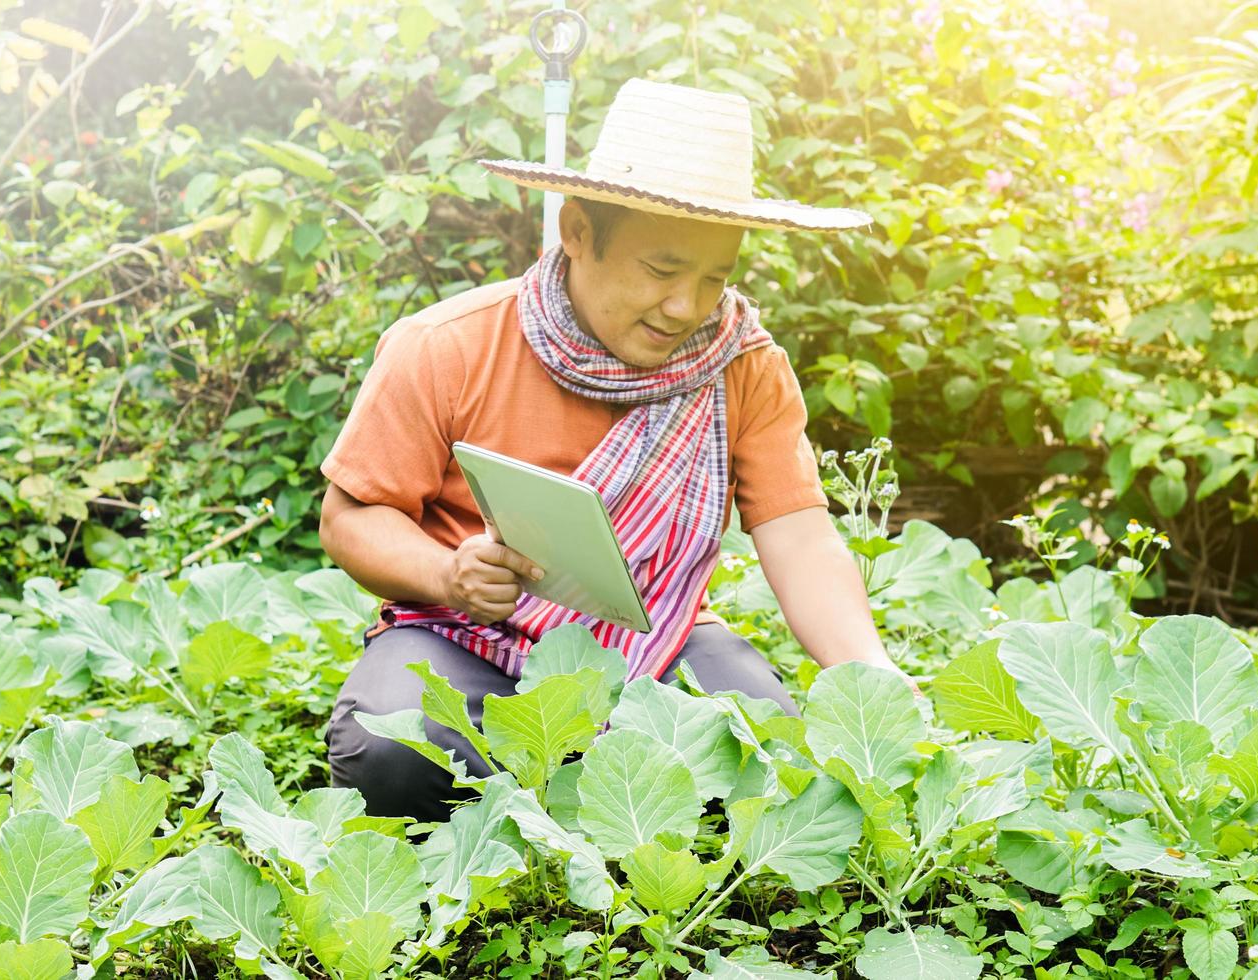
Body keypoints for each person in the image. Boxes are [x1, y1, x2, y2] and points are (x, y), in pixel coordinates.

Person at [318, 77, 920, 823]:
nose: (687, 308)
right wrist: (449, 573)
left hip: (657, 639)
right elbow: (351, 518)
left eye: (715, 278)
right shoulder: (447, 346)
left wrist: (874, 679)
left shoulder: (741, 365)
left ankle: (586, 788)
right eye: (662, 271)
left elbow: (799, 537)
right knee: (395, 751)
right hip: (464, 634)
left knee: (767, 751)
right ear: (576, 231)